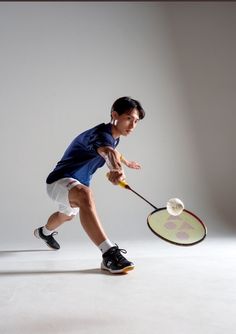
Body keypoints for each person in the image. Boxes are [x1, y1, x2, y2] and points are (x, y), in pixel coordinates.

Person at [34, 96, 145, 274]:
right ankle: (109, 253)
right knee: (85, 195)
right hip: (60, 180)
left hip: (74, 183)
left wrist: (126, 161)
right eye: (128, 118)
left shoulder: (113, 136)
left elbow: (113, 149)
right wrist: (116, 170)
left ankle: (44, 233)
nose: (132, 125)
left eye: (136, 121)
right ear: (115, 115)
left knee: (66, 216)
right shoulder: (101, 134)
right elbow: (108, 152)